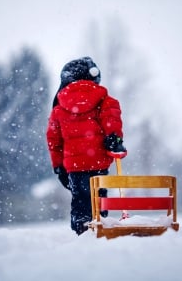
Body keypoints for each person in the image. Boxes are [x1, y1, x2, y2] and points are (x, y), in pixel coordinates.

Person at [46, 56, 127, 235]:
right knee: (99, 200)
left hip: (74, 167)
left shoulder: (58, 109)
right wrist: (115, 139)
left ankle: (82, 231)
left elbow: (54, 140)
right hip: (98, 162)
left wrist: (59, 167)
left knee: (80, 201)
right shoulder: (106, 100)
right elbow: (111, 121)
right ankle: (101, 227)